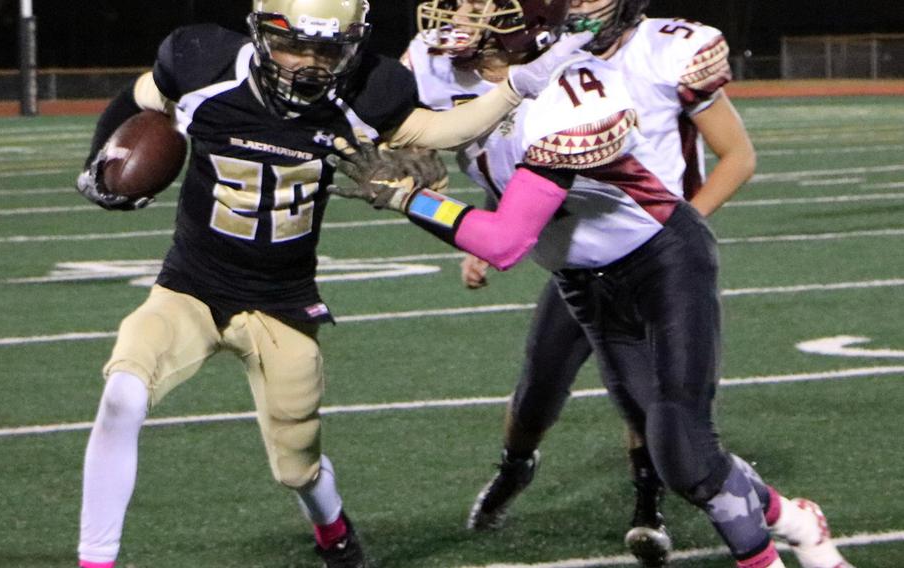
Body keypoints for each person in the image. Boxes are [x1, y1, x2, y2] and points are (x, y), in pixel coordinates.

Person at [331, 2, 855, 567]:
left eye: (482, 5)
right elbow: (369, 140)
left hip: (660, 262)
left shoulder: (580, 88)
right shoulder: (431, 67)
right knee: (673, 450)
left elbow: (506, 241)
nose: (459, 15)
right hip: (580, 279)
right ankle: (794, 519)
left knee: (684, 451)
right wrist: (403, 153)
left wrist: (410, 198)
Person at [72, 1, 592, 566]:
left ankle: (334, 532)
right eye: (295, 45)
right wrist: (100, 163)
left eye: (328, 49)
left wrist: (514, 87)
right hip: (190, 288)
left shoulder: (369, 92)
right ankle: (95, 560)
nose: (308, 64)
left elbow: (441, 130)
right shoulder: (203, 64)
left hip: (283, 304)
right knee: (123, 392)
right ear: (262, 35)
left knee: (298, 465)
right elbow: (138, 100)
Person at [406, 0, 757, 564]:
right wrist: (490, 217)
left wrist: (672, 235)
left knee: (648, 402)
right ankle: (514, 468)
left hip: (642, 242)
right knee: (540, 385)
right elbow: (518, 158)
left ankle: (649, 506)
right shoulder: (520, 60)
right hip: (569, 254)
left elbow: (737, 156)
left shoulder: (664, 51)